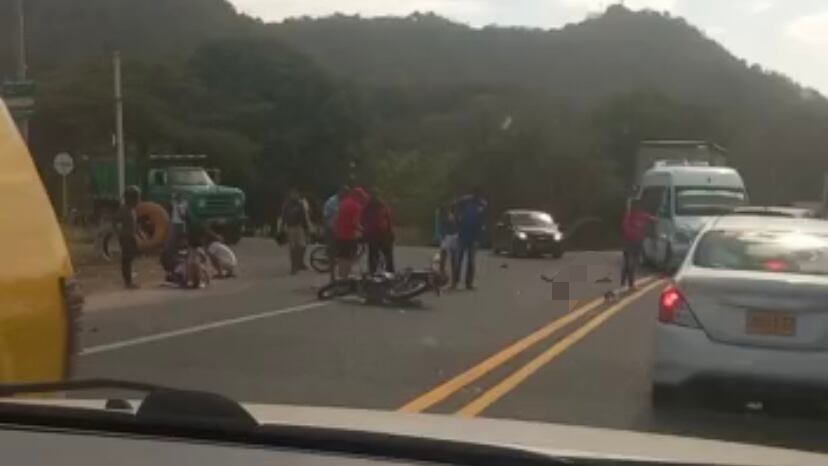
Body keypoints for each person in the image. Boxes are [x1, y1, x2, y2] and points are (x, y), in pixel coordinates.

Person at [453, 188, 487, 290]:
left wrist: (479, 236)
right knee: (459, 259)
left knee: (470, 261)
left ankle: (468, 283)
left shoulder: (482, 204)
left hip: (473, 235)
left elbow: (482, 221)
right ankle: (455, 282)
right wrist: (458, 219)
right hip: (463, 234)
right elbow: (455, 207)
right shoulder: (464, 201)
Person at [620, 198, 655, 290]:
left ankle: (630, 283)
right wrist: (633, 231)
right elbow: (624, 227)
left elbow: (652, 218)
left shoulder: (642, 215)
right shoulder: (629, 217)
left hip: (637, 242)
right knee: (628, 264)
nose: (638, 209)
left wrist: (655, 220)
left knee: (633, 264)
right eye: (636, 207)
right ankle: (623, 283)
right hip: (628, 243)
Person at [335, 187, 368, 279]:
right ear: (358, 196)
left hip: (339, 234)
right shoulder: (356, 206)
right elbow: (355, 223)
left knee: (342, 257)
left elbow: (337, 218)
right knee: (349, 257)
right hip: (349, 235)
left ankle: (342, 277)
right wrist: (363, 230)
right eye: (362, 197)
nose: (362, 199)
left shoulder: (343, 202)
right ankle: (345, 278)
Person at [279, 188, 311, 274]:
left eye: (296, 194)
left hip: (299, 227)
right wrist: (281, 227)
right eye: (293, 194)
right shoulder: (287, 204)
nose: (295, 196)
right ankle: (294, 266)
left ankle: (299, 262)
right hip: (290, 227)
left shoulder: (300, 204)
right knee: (293, 248)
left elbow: (303, 216)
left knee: (302, 246)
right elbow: (284, 216)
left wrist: (307, 227)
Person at [362, 191, 395, 274]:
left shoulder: (367, 207)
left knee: (373, 254)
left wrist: (365, 230)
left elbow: (361, 219)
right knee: (387, 253)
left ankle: (372, 271)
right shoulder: (382, 205)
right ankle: (389, 271)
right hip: (383, 233)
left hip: (371, 234)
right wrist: (391, 232)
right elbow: (388, 219)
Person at [115, 186, 141, 289]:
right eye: (136, 198)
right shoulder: (124, 209)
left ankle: (129, 280)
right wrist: (119, 232)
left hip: (131, 236)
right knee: (126, 259)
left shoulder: (132, 209)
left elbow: (134, 224)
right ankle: (128, 282)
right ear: (130, 198)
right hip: (125, 237)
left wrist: (139, 233)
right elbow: (115, 221)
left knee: (130, 258)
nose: (138, 200)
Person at [323, 185, 349, 281]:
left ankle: (340, 276)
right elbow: (325, 216)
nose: (345, 195)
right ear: (340, 191)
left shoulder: (344, 202)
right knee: (332, 254)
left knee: (340, 254)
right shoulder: (331, 201)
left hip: (340, 230)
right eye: (344, 193)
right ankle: (332, 276)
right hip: (331, 230)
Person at [437, 202, 459, 286]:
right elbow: (441, 224)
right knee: (443, 259)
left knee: (453, 260)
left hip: (454, 236)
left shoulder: (456, 215)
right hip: (447, 237)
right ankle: (441, 278)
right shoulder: (444, 215)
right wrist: (441, 236)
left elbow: (458, 225)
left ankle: (454, 281)